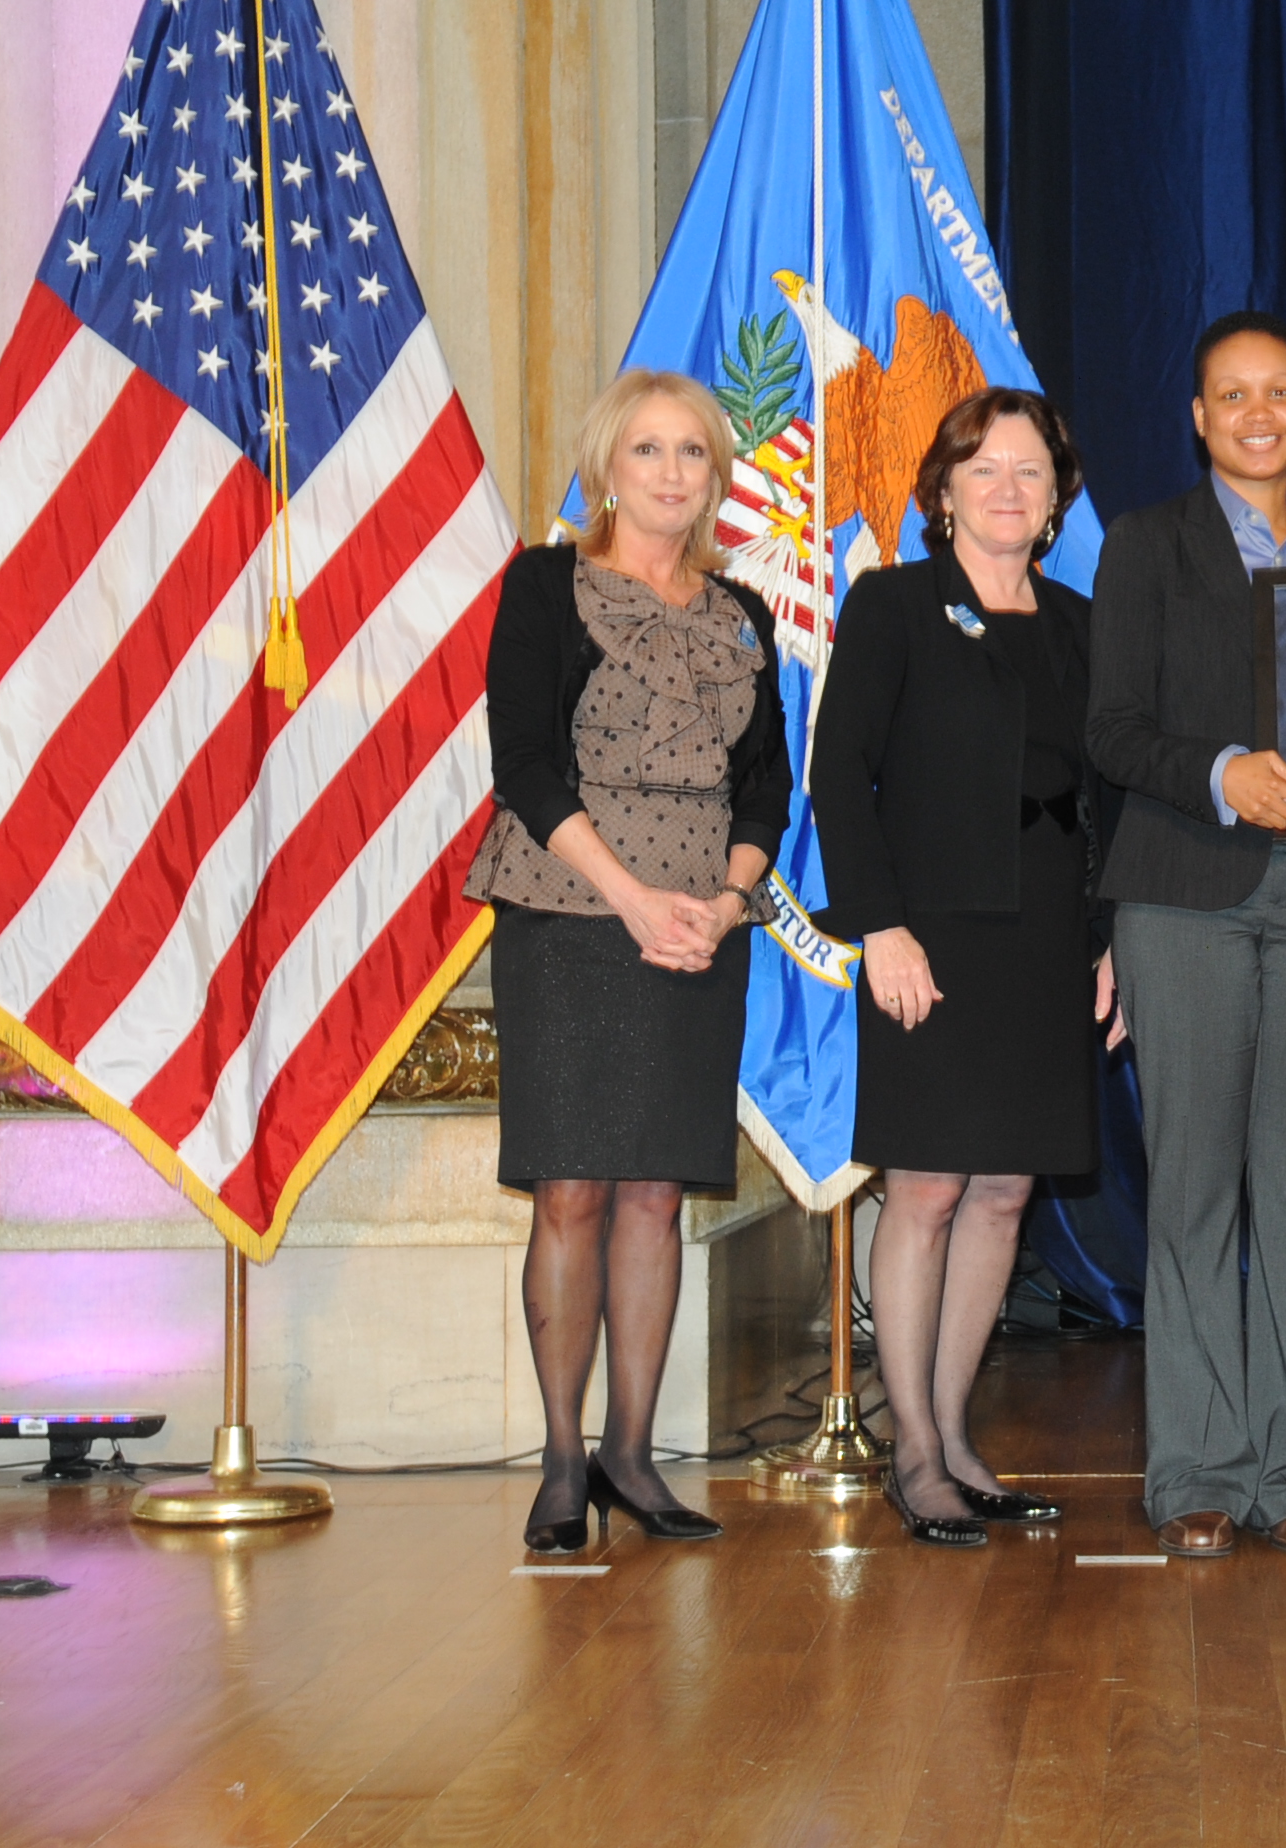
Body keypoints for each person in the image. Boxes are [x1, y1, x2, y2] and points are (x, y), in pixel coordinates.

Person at [467, 369, 791, 1555]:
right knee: (573, 1190)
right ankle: (562, 1465)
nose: (669, 473)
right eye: (647, 451)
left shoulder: (742, 611)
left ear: (715, 477)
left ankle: (634, 1457)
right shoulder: (545, 585)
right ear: (609, 466)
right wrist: (633, 899)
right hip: (570, 912)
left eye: (692, 454)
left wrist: (718, 903)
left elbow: (768, 783)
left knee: (657, 1193)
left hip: (700, 926)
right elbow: (526, 762)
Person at [1087, 312, 1286, 1560]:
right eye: (1232, 395)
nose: (1259, 413)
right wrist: (1222, 773)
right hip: (1184, 893)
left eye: (1279, 392)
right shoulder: (1145, 549)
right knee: (1196, 1189)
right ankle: (1198, 1469)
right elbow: (1110, 730)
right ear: (1199, 418)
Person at [811, 387, 1106, 1549]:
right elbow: (842, 775)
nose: (1008, 489)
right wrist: (878, 926)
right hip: (928, 940)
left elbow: (1104, 794)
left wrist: (1109, 939)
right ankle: (914, 1448)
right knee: (927, 1187)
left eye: (1031, 473)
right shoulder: (892, 604)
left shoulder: (1080, 623)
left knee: (1005, 1192)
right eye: (985, 469)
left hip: (1045, 939)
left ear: (1054, 503)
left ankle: (956, 1430)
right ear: (942, 491)